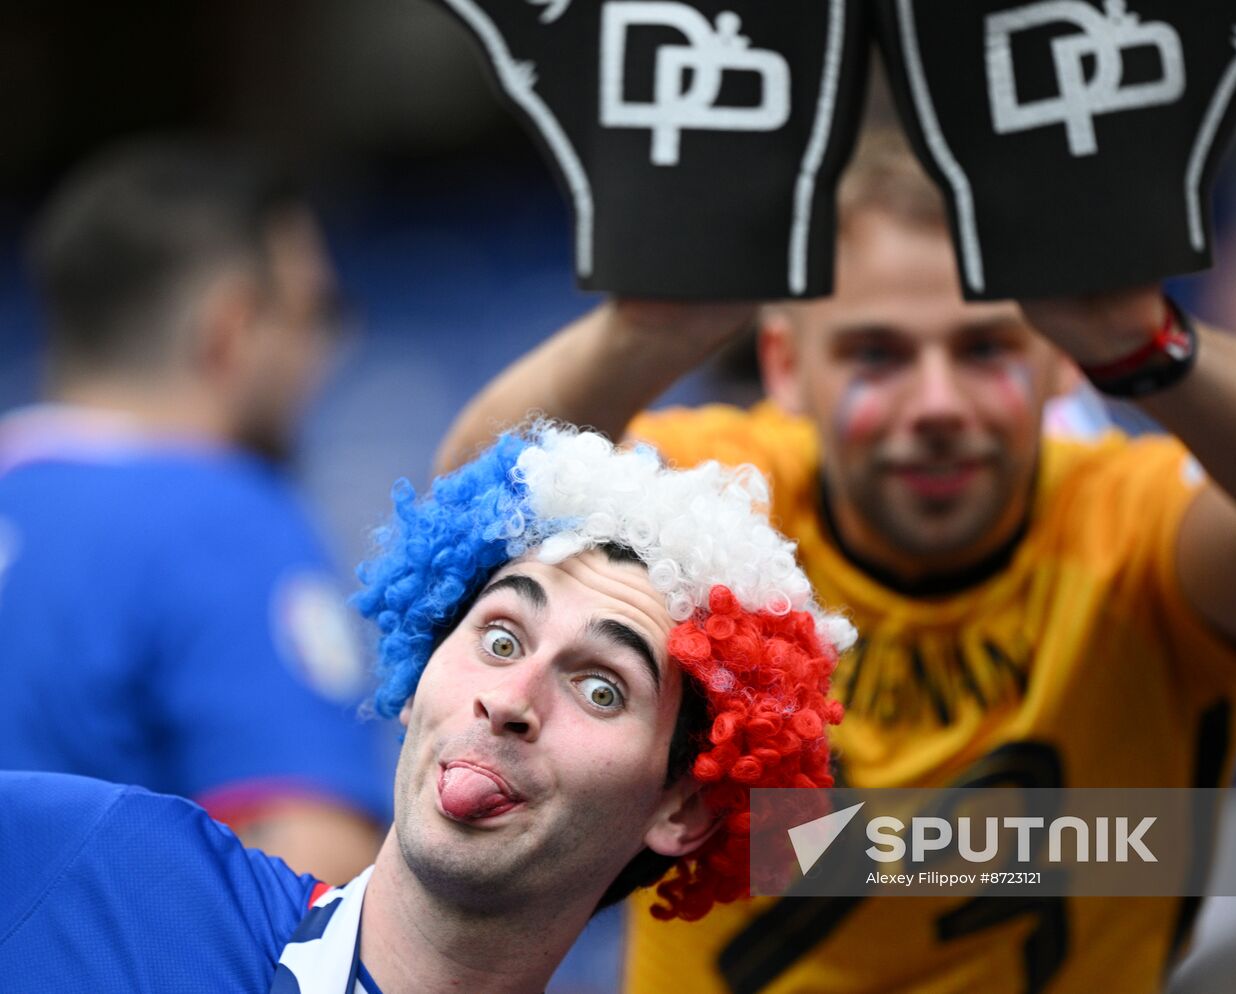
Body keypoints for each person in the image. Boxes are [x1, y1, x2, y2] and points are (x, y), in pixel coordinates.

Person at [436, 130, 1236, 993]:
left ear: (1064, 360)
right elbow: (470, 517)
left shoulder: (1132, 527)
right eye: (877, 354)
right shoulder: (723, 500)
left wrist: (1148, 343)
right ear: (785, 366)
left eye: (985, 348)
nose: (935, 402)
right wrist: (647, 332)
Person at [0, 422, 850, 994]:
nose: (509, 699)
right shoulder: (100, 862)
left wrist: (972, 843)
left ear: (685, 808)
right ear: (415, 683)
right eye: (501, 638)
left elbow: (911, 851)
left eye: (600, 688)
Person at [0, 139, 387, 882]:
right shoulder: (220, 518)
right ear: (232, 328)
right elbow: (311, 871)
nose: (324, 353)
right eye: (318, 311)